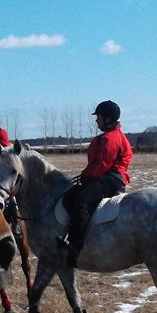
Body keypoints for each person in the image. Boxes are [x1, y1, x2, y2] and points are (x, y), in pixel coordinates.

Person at [59, 99, 132, 268]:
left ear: (108, 119)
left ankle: (75, 246)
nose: (96, 120)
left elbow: (101, 165)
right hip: (106, 176)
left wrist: (86, 176)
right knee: (70, 195)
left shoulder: (110, 139)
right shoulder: (110, 136)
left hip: (110, 178)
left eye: (98, 117)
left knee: (81, 201)